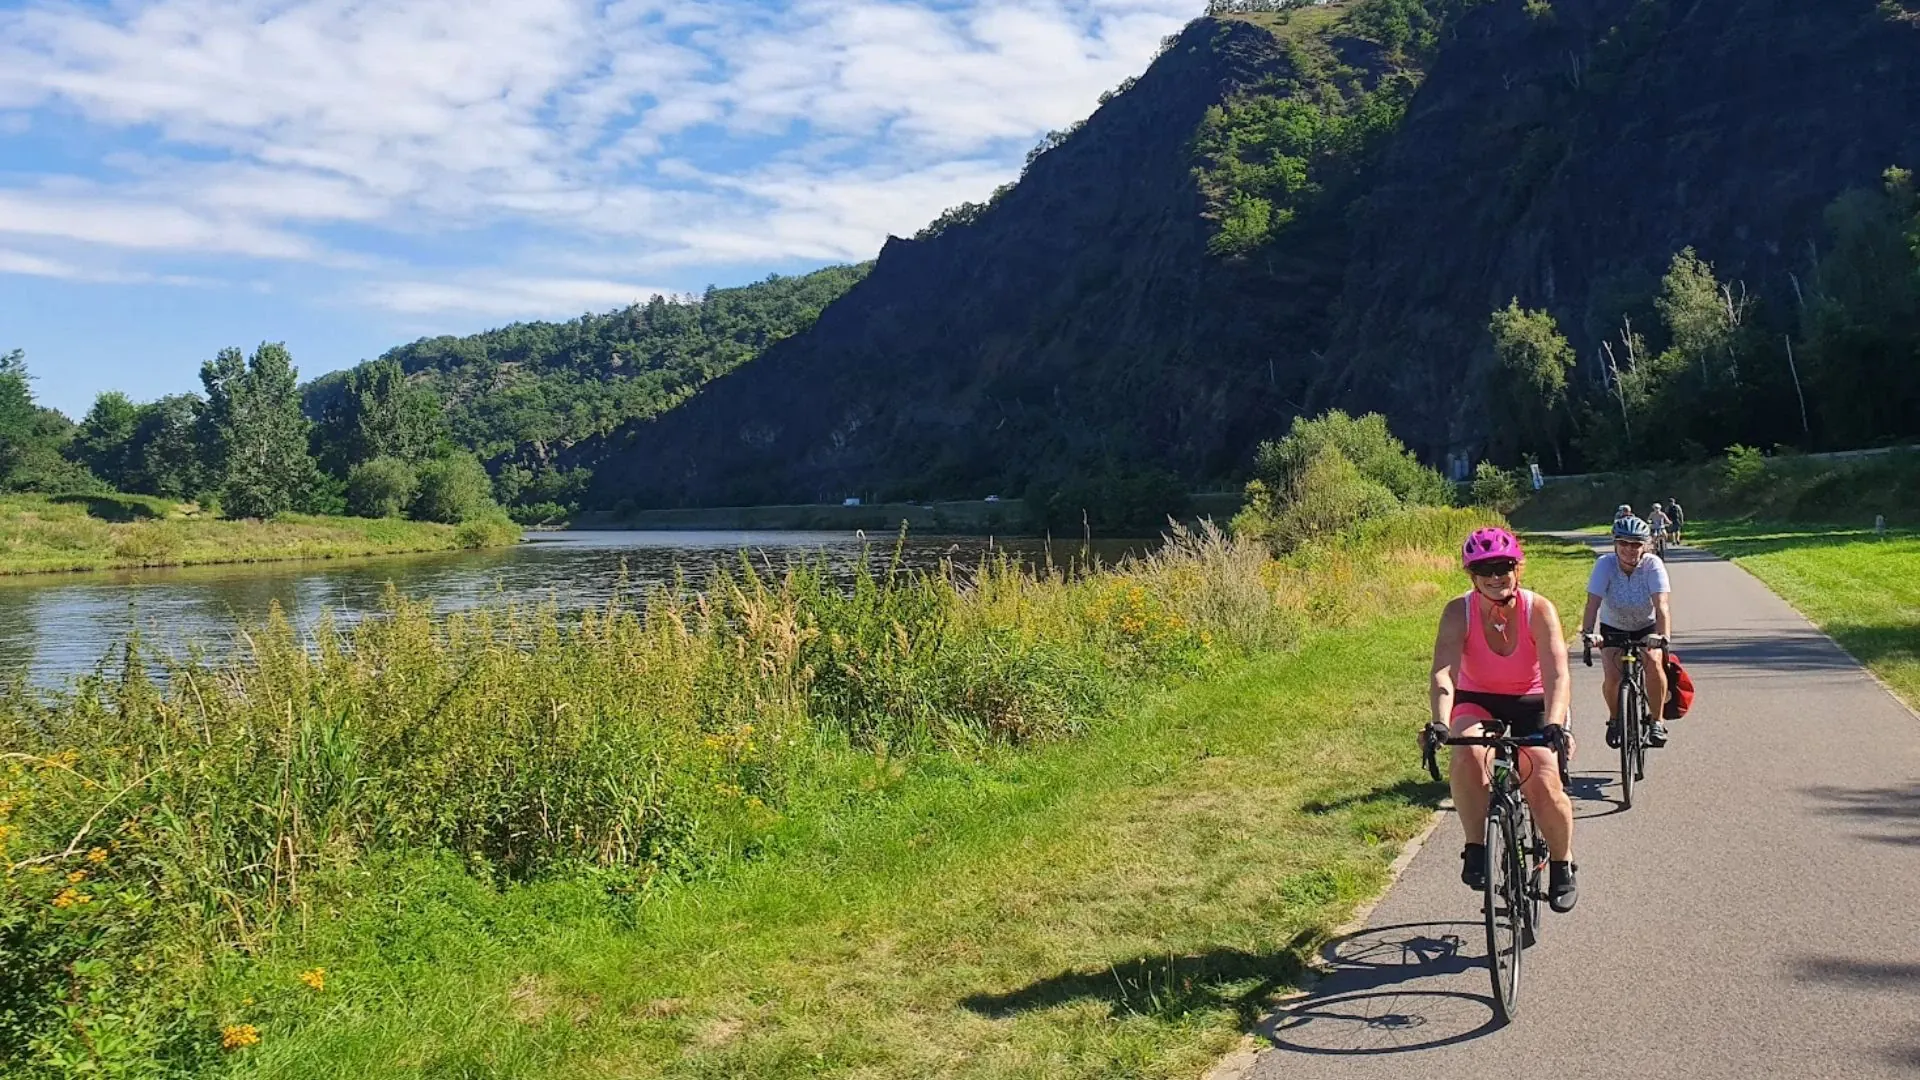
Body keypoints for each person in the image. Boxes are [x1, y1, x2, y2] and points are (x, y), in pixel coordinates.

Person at [1427, 527, 1579, 912]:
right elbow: (1444, 672)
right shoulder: (1456, 612)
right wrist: (1440, 723)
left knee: (1543, 775)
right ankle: (1475, 846)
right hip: (1478, 698)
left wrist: (1556, 724)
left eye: (1504, 566)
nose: (1496, 576)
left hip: (1533, 699)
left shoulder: (1538, 609)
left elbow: (1557, 674)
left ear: (1517, 568)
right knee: (1466, 753)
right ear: (1471, 576)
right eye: (1485, 569)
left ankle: (1562, 864)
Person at [1580, 515, 1673, 749]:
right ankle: (1614, 719)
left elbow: (1661, 606)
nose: (1629, 549)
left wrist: (1663, 638)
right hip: (1613, 627)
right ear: (1615, 544)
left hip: (1646, 627)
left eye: (1636, 544)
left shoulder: (1652, 565)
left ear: (1646, 545)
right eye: (1624, 543)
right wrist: (1589, 633)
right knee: (1613, 678)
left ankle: (1657, 721)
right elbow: (1592, 604)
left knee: (1653, 663)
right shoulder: (1605, 564)